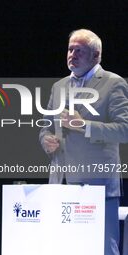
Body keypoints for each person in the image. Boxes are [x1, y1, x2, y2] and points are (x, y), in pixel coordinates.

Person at [39, 29, 128, 255]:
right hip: (61, 183)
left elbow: (124, 130)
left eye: (79, 50)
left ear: (96, 55)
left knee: (103, 249)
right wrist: (46, 140)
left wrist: (83, 125)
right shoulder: (59, 86)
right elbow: (46, 126)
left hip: (97, 185)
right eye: (70, 49)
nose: (72, 54)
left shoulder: (113, 83)